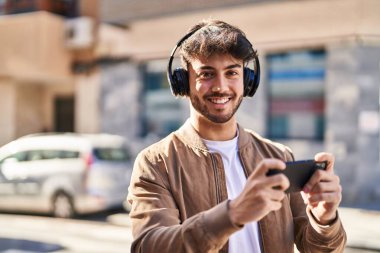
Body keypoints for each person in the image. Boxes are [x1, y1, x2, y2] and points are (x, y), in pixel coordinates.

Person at [127, 19, 346, 253]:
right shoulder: (156, 163)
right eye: (206, 74)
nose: (221, 86)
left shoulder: (278, 155)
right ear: (182, 82)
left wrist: (324, 218)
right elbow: (149, 246)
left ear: (248, 81)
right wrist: (233, 213)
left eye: (231, 72)